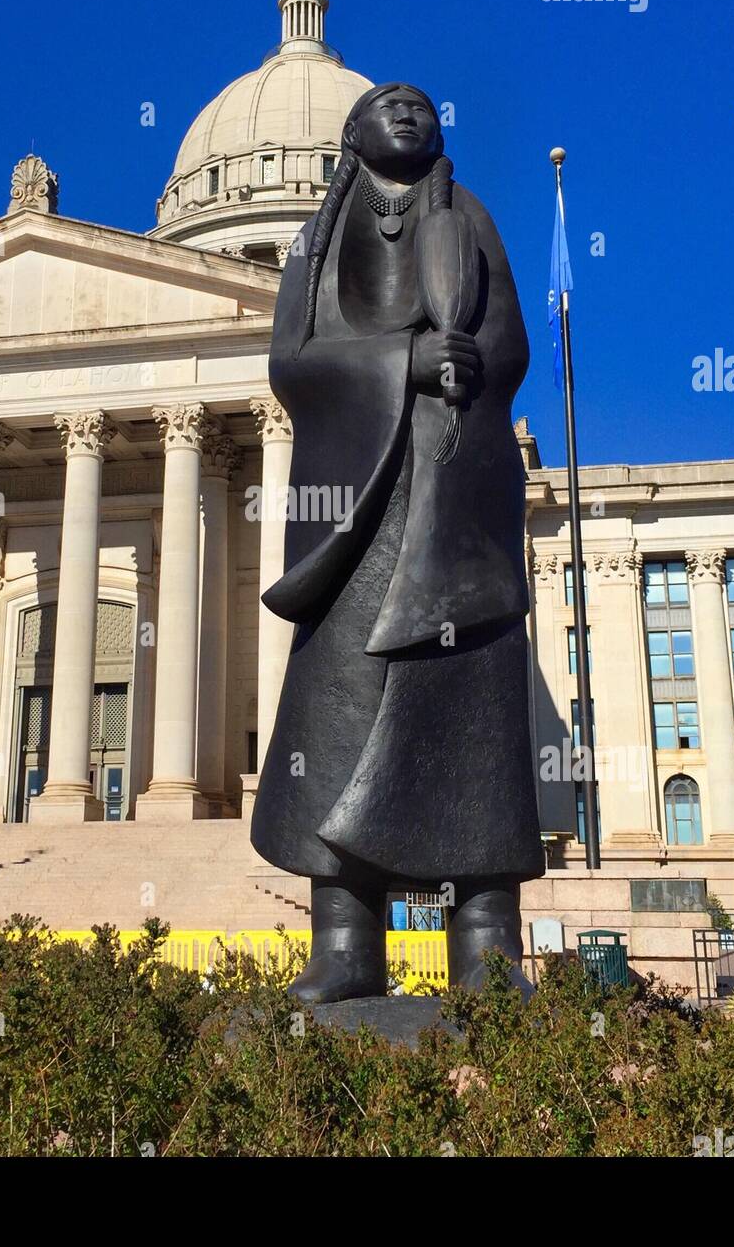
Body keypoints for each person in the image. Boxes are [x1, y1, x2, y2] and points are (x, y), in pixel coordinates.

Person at [251, 83, 544, 1003]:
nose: (410, 113)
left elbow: (511, 344)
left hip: (454, 502)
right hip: (356, 518)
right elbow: (292, 362)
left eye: (423, 105)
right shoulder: (314, 239)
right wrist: (400, 362)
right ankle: (344, 947)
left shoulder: (473, 219)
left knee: (472, 723)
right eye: (389, 106)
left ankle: (488, 949)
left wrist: (466, 367)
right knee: (335, 726)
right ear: (352, 133)